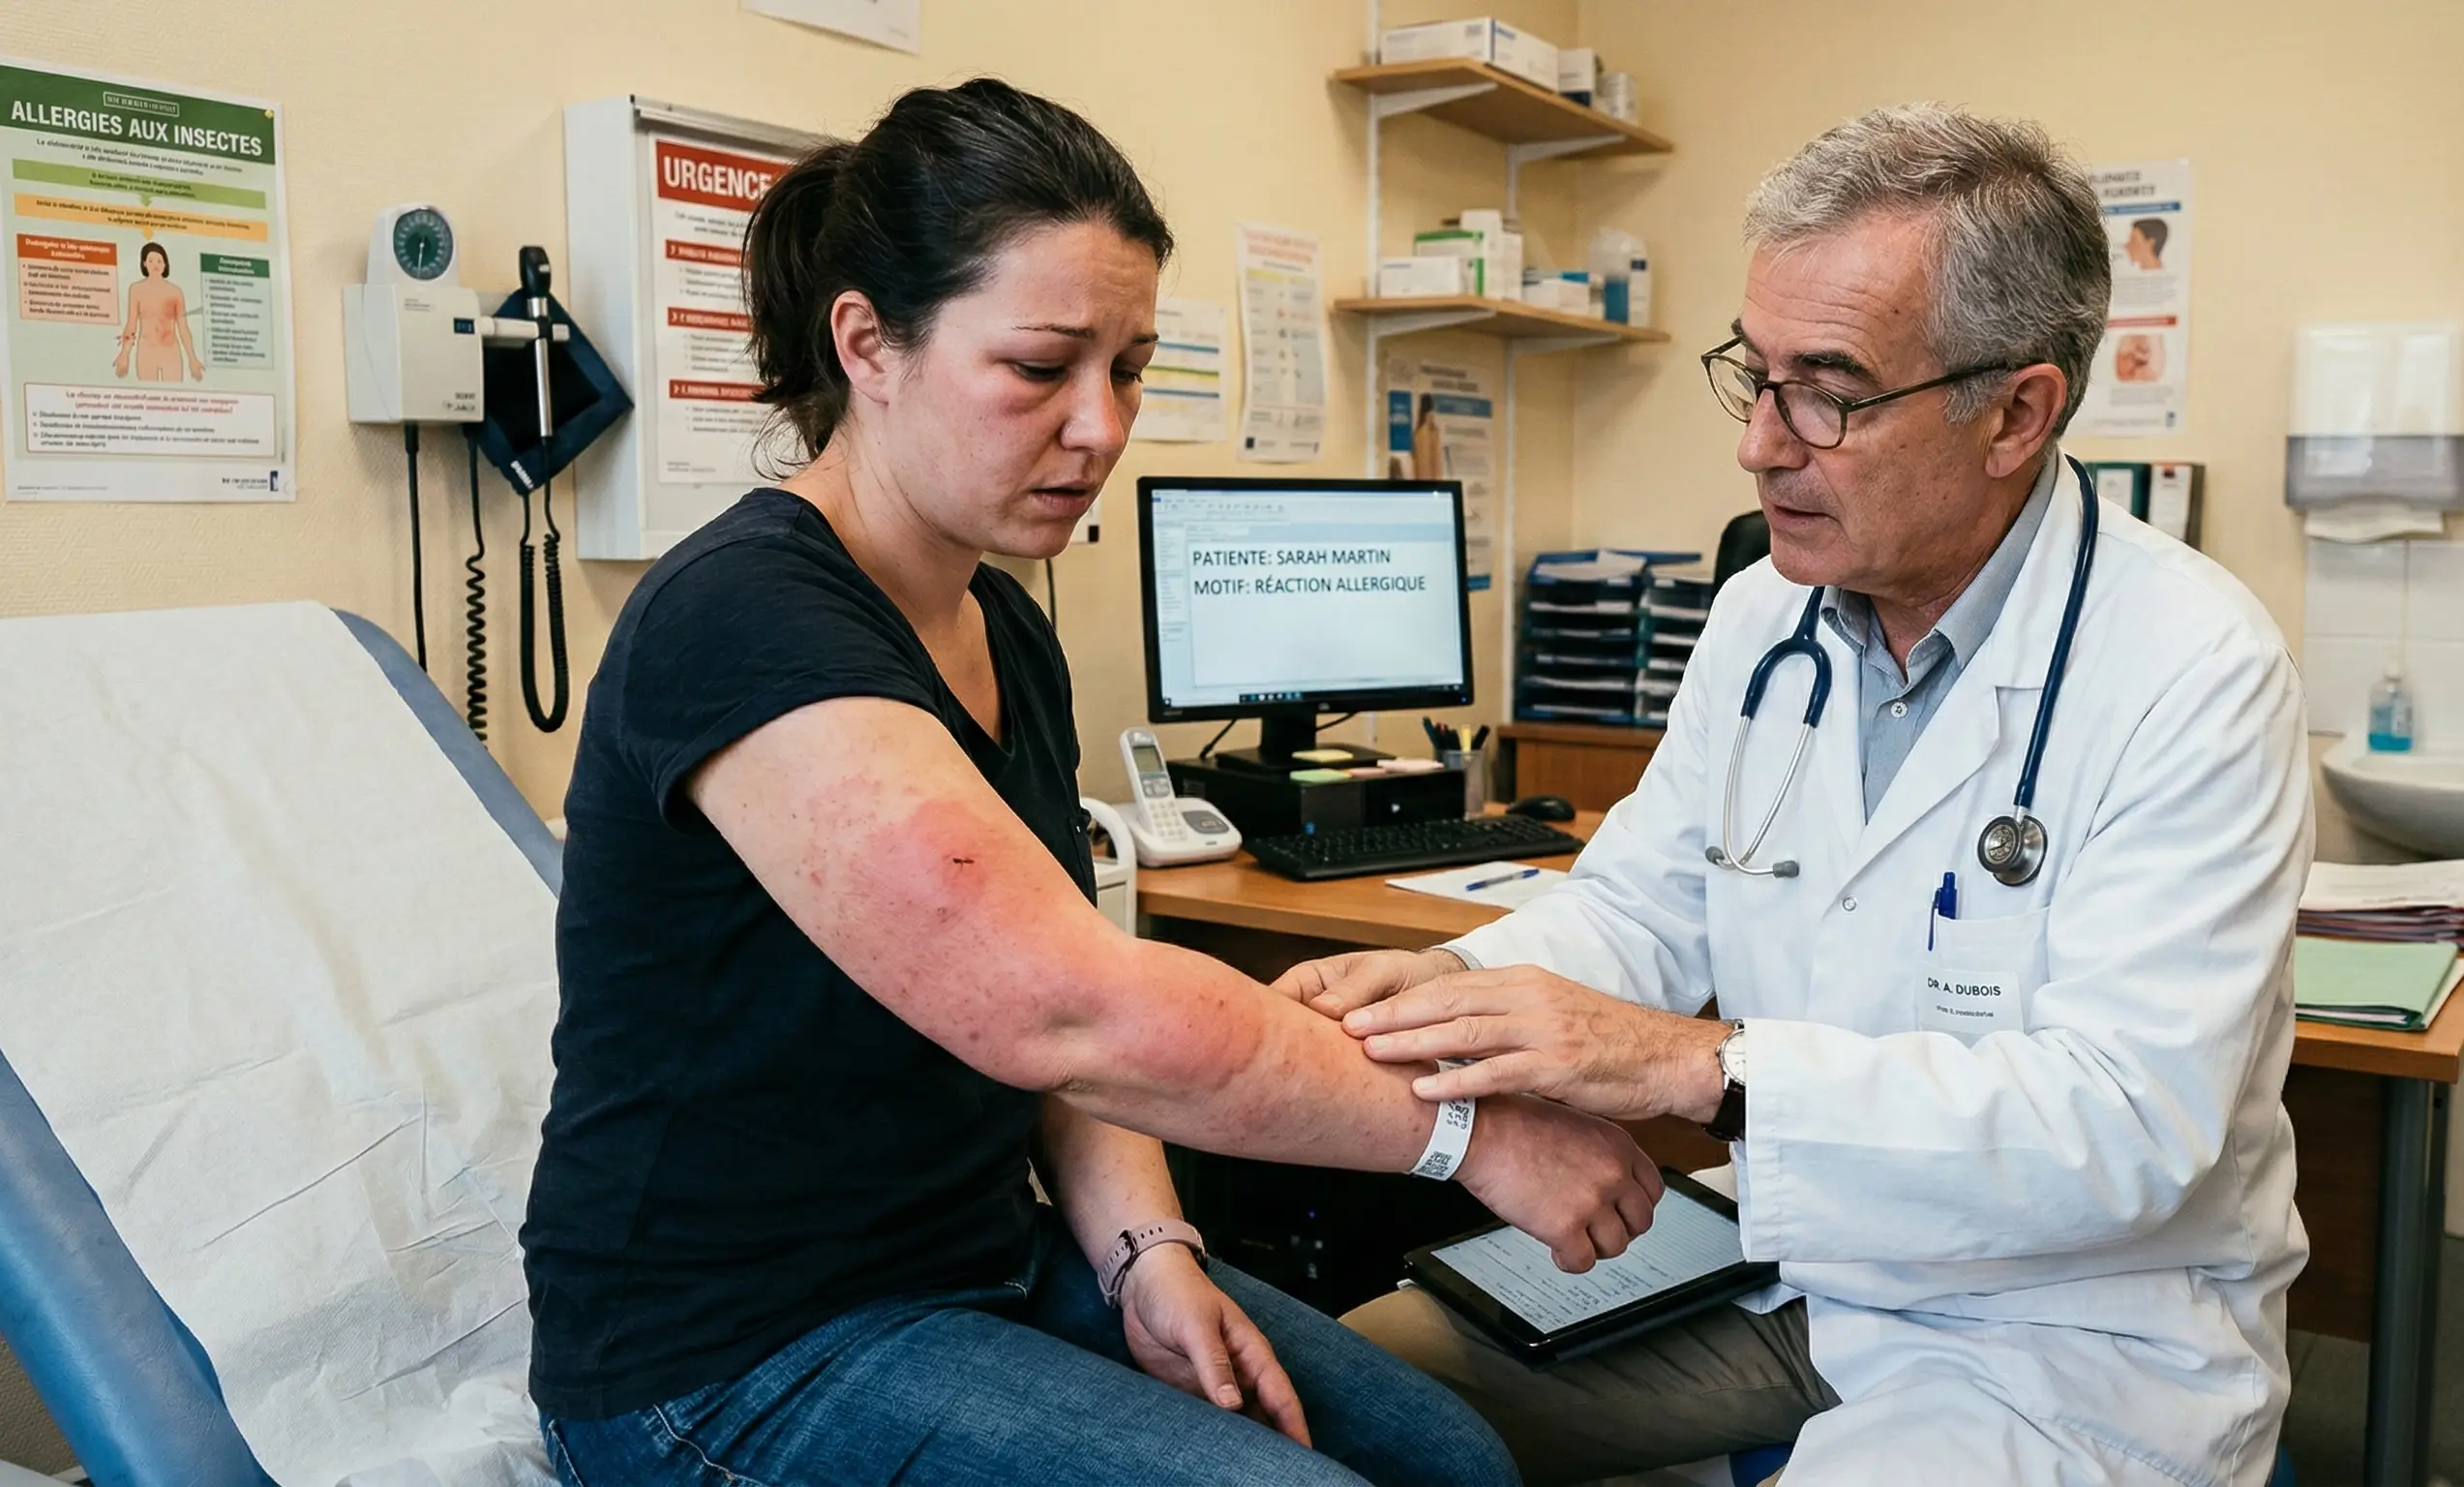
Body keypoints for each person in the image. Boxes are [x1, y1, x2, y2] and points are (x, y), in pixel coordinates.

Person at [522, 78, 1660, 1487]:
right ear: (867, 344)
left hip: (980, 1263)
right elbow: (1067, 1015)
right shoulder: (742, 618)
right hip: (729, 1356)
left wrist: (1147, 1251)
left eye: (1126, 367)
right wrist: (1468, 1138)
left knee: (1452, 1461)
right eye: (1041, 367)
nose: (1101, 426)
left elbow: (1067, 1005)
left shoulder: (1003, 624)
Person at [1287, 105, 2309, 1487]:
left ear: (2016, 411)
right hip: (1776, 1258)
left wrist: (1682, 1065)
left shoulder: (2191, 663)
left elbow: (2126, 1127)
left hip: (2055, 1333)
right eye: (1752, 376)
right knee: (1323, 1410)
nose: (1759, 446)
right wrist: (1444, 992)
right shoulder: (1763, 616)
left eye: (1826, 391)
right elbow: (1640, 910)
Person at [112, 242, 203, 382]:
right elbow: (131, 325)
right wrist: (124, 355)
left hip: (170, 351)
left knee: (173, 396)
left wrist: (192, 359)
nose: (155, 264)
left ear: (165, 264)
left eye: (159, 261)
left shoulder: (175, 291)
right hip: (146, 350)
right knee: (148, 396)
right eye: (151, 260)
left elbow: (183, 328)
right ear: (144, 264)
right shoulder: (136, 289)